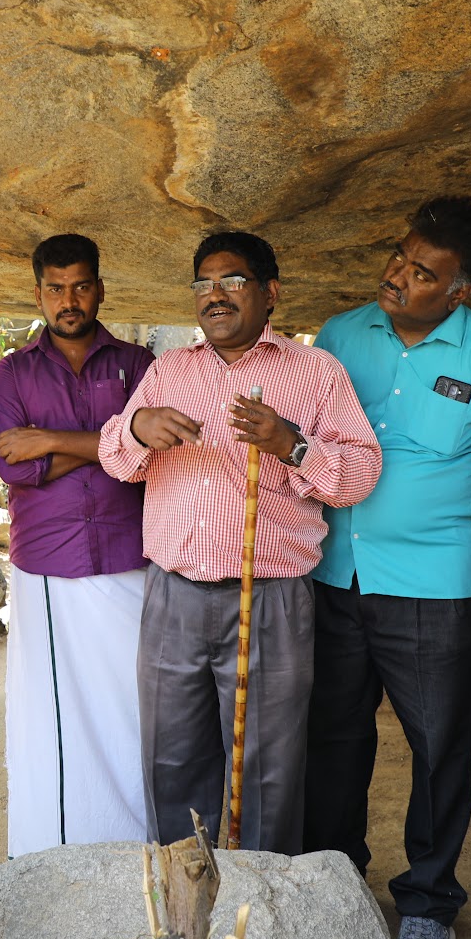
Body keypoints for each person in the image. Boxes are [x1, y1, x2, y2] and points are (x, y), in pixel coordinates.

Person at [97, 230, 381, 855]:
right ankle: (184, 896)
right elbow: (116, 461)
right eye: (203, 284)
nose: (215, 295)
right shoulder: (169, 370)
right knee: (172, 758)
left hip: (270, 597)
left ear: (270, 293)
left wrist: (291, 444)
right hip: (174, 596)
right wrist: (138, 427)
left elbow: (360, 475)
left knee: (266, 768)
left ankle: (258, 901)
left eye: (232, 281)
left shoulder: (314, 372)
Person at [302, 197, 471, 939]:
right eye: (400, 255)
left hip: (436, 586)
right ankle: (332, 879)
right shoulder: (339, 335)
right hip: (337, 571)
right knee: (331, 734)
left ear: (459, 291)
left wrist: (445, 516)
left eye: (423, 271)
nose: (399, 274)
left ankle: (428, 904)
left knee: (437, 744)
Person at [0, 233, 154, 857]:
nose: (69, 300)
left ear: (99, 289)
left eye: (81, 286)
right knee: (58, 722)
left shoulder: (138, 364)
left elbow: (149, 455)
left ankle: (137, 850)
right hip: (51, 569)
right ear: (38, 294)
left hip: (131, 559)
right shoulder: (14, 372)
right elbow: (16, 468)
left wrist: (53, 439)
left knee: (134, 711)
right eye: (56, 289)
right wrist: (111, 442)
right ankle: (59, 855)